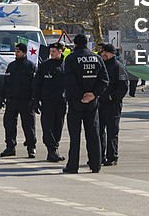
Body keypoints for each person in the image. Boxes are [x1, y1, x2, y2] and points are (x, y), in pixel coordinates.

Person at [62, 34, 108, 174]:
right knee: (93, 134)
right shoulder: (97, 58)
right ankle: (95, 164)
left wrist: (80, 96)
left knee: (75, 136)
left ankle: (73, 166)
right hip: (92, 102)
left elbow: (69, 81)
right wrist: (94, 94)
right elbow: (104, 79)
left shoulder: (71, 58)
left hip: (76, 102)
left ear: (75, 44)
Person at [0, 43, 38, 158]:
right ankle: (10, 147)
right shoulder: (11, 66)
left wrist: (34, 99)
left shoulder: (30, 66)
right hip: (12, 100)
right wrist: (2, 96)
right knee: (9, 124)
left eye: (18, 51)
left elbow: (34, 85)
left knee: (28, 125)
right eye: (15, 51)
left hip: (26, 101)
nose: (16, 53)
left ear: (24, 53)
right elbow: (6, 83)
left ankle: (31, 147)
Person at [33, 42, 67, 162]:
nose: (51, 54)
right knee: (47, 127)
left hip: (61, 101)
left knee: (58, 126)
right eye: (50, 52)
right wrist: (35, 100)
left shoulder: (66, 66)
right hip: (47, 101)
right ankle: (51, 149)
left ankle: (54, 148)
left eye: (54, 52)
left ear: (60, 52)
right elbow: (37, 84)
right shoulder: (44, 66)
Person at [98, 43, 127, 167]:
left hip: (112, 104)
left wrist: (112, 97)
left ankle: (112, 156)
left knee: (112, 131)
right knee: (99, 131)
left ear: (112, 53)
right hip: (100, 103)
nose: (103, 54)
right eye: (102, 52)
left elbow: (123, 87)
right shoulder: (101, 65)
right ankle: (100, 156)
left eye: (106, 52)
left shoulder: (118, 67)